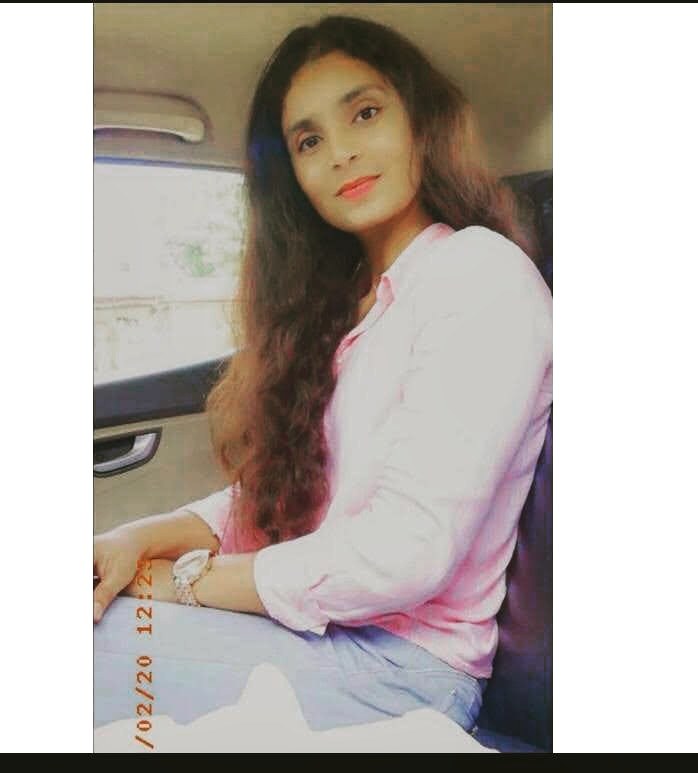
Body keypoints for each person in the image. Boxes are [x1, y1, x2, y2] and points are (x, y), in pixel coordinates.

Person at [93, 14, 552, 737]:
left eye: (364, 113)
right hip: (323, 637)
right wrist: (145, 535)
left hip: (401, 669)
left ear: (419, 121)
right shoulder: (342, 308)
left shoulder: (479, 276)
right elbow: (293, 493)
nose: (340, 153)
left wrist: (184, 581)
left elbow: (405, 551)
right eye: (309, 141)